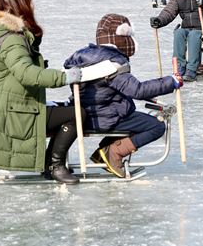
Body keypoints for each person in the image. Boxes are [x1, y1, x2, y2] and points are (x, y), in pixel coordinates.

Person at [0, 0, 83, 184]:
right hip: (13, 115)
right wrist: (64, 77)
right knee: (76, 114)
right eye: (30, 1)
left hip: (6, 109)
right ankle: (53, 164)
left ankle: (50, 162)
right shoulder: (11, 39)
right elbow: (25, 73)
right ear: (20, 5)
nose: (33, 5)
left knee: (65, 110)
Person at [63, 13, 182, 178]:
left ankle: (104, 152)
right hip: (106, 118)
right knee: (156, 126)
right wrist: (171, 82)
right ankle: (114, 152)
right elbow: (137, 90)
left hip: (82, 114)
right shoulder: (112, 64)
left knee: (131, 115)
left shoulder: (83, 57)